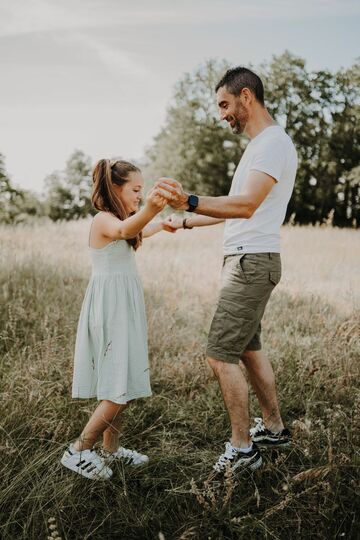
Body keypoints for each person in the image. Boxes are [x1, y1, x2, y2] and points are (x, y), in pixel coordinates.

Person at [160, 67, 297, 474]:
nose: (222, 115)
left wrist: (189, 201)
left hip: (251, 263)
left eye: (224, 104)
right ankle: (272, 430)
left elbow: (245, 205)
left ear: (246, 97)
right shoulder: (261, 146)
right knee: (248, 351)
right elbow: (234, 210)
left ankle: (243, 450)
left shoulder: (271, 144)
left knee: (220, 356)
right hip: (249, 257)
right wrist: (183, 220)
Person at [61, 159, 173, 480]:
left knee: (120, 376)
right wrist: (151, 208)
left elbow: (138, 230)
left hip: (123, 305)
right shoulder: (103, 220)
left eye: (142, 191)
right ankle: (79, 449)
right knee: (116, 385)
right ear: (115, 188)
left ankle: (110, 450)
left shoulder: (123, 221)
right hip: (110, 308)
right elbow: (126, 229)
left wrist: (165, 223)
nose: (140, 195)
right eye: (136, 190)